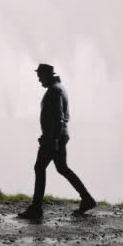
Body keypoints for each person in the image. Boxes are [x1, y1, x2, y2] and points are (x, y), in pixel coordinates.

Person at [18, 64, 96, 219]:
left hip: (54, 137)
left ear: (47, 75)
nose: (39, 80)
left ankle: (36, 208)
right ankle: (87, 199)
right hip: (57, 136)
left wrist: (52, 139)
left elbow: (59, 119)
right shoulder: (58, 88)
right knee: (62, 168)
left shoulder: (54, 90)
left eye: (40, 76)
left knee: (40, 167)